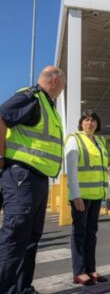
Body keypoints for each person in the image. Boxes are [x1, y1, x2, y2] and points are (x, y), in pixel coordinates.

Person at [0, 66, 65, 294]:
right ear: (55, 80)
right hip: (22, 175)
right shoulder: (31, 97)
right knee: (16, 236)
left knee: (30, 238)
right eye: (63, 83)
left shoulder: (49, 106)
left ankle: (23, 288)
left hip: (38, 178)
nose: (64, 87)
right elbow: (1, 115)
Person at [65, 110, 110, 286]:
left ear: (97, 124)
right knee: (79, 233)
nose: (89, 123)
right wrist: (75, 195)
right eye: (86, 120)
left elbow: (104, 170)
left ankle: (91, 269)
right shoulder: (74, 139)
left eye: (93, 120)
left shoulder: (100, 142)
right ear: (81, 123)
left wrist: (108, 195)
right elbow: (71, 169)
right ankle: (79, 271)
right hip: (81, 197)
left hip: (96, 196)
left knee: (91, 234)